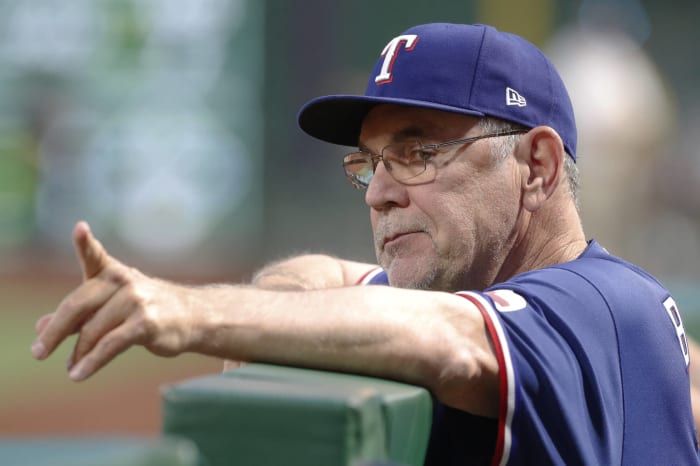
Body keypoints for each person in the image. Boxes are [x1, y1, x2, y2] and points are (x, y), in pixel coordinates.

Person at [31, 23, 699, 464]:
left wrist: (188, 312)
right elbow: (320, 275)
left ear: (539, 168)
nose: (379, 192)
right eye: (370, 163)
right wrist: (273, 310)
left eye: (418, 151)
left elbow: (450, 342)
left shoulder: (601, 303)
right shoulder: (512, 294)